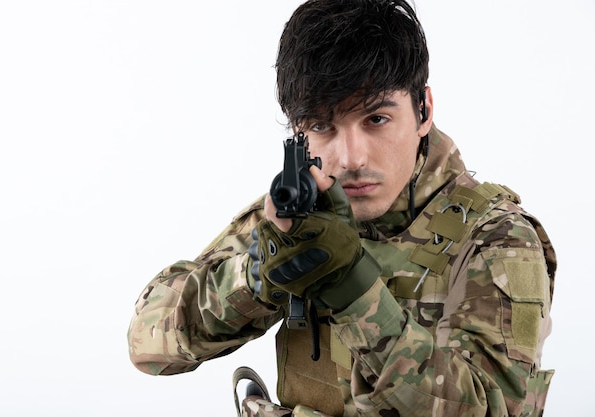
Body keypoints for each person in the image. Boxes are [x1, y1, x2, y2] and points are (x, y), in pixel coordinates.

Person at [127, 1, 556, 416]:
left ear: (423, 109)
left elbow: (492, 409)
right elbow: (147, 343)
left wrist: (354, 291)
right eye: (321, 125)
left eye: (376, 119)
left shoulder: (496, 239)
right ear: (298, 134)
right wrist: (255, 280)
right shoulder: (297, 216)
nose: (351, 158)